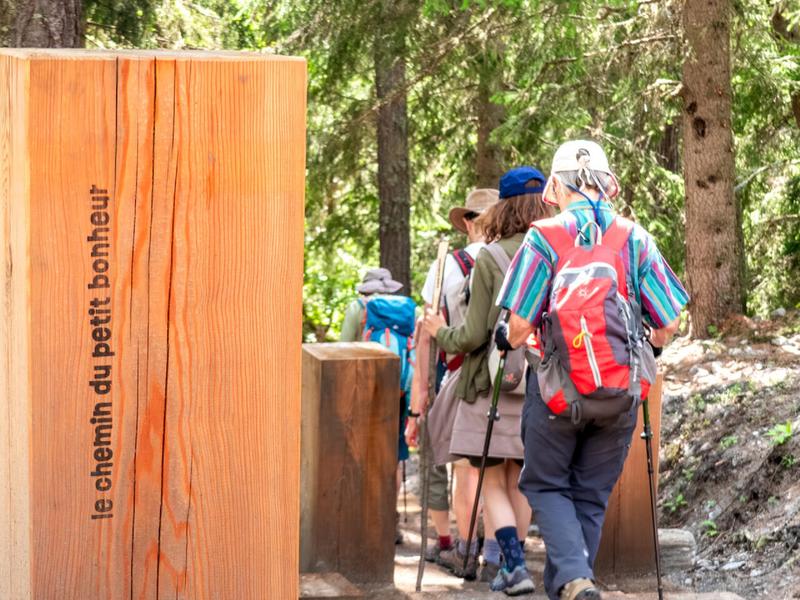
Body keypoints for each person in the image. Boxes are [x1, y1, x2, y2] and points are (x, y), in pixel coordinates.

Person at [496, 141, 689, 600]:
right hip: (621, 392)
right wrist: (642, 346)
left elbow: (521, 328)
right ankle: (575, 584)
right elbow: (669, 323)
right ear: (607, 184)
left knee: (544, 485)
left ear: (557, 186)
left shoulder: (545, 237)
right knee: (589, 495)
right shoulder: (634, 237)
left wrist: (506, 336)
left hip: (556, 390)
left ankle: (576, 581)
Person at [423, 167, 553, 596]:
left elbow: (474, 334)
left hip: (493, 384)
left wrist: (439, 332)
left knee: (491, 478)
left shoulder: (492, 258)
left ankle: (513, 565)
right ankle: (508, 565)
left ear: (503, 208)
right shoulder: (554, 251)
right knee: (519, 479)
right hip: (541, 382)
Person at [406, 188, 499, 579]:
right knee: (497, 472)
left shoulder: (449, 266)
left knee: (465, 470)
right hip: (505, 374)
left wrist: (420, 397)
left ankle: (463, 549)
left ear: (467, 222)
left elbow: (426, 332)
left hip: (460, 373)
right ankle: (496, 555)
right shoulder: (516, 256)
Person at [341, 267, 417, 544]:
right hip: (397, 392)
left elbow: (343, 350)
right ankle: (388, 517)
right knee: (394, 456)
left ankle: (362, 517)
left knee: (360, 451)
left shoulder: (357, 308)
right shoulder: (408, 311)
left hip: (363, 393)